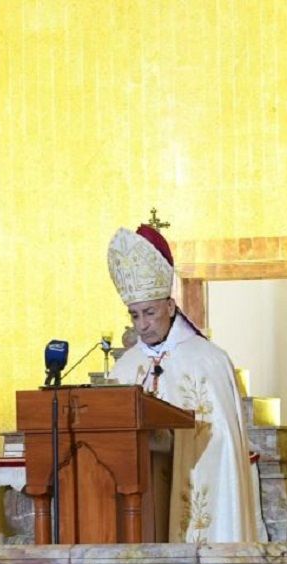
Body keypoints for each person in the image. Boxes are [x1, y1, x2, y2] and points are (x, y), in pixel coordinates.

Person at [107, 224, 262, 544]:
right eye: (134, 315)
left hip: (190, 491)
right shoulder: (124, 368)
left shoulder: (208, 361)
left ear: (170, 306)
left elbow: (222, 447)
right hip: (142, 504)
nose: (142, 325)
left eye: (149, 312)